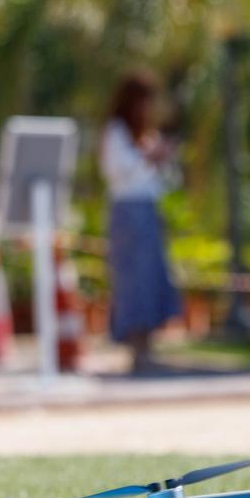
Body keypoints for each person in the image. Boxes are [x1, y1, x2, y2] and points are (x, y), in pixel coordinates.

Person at [100, 71, 181, 373]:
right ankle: (136, 349)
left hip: (148, 210)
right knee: (133, 281)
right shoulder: (116, 132)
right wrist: (148, 157)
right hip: (127, 212)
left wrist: (162, 157)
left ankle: (148, 347)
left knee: (151, 279)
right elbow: (117, 171)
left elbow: (165, 181)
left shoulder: (145, 135)